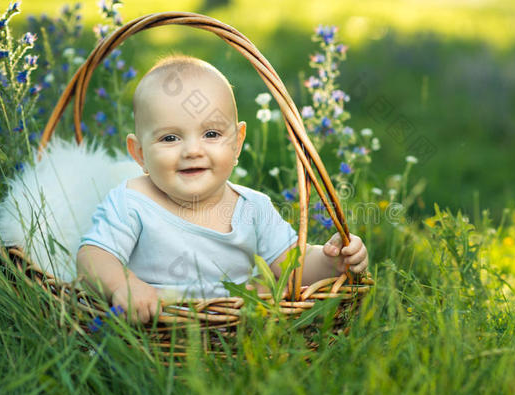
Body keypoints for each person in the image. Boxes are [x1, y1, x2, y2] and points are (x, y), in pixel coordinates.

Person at [76, 55, 369, 323]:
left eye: (211, 134)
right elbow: (93, 256)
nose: (192, 150)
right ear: (139, 154)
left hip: (234, 337)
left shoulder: (253, 207)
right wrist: (125, 286)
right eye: (169, 138)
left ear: (238, 141)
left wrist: (333, 259)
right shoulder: (132, 201)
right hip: (153, 332)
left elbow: (292, 266)